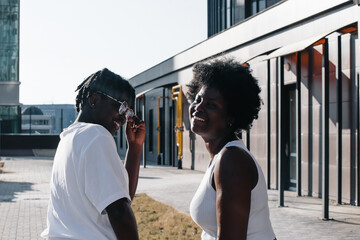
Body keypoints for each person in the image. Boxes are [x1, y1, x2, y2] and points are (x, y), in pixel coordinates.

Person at [41, 68, 145, 240]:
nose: (124, 118)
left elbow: (120, 196)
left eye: (128, 112)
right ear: (94, 99)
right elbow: (119, 212)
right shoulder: (96, 136)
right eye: (122, 107)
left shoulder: (68, 138)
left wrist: (135, 146)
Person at [188, 58, 276, 240]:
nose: (198, 108)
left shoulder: (232, 161)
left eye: (211, 104)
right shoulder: (222, 156)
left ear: (231, 116)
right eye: (198, 100)